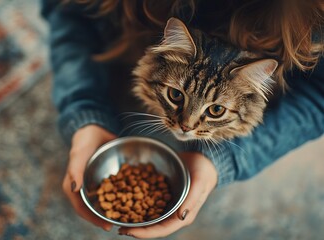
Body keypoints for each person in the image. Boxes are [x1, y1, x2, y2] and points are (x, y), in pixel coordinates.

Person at [41, 0, 324, 238]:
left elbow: (319, 96)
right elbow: (66, 9)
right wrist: (85, 110)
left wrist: (225, 161)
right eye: (177, 96)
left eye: (214, 110)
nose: (186, 124)